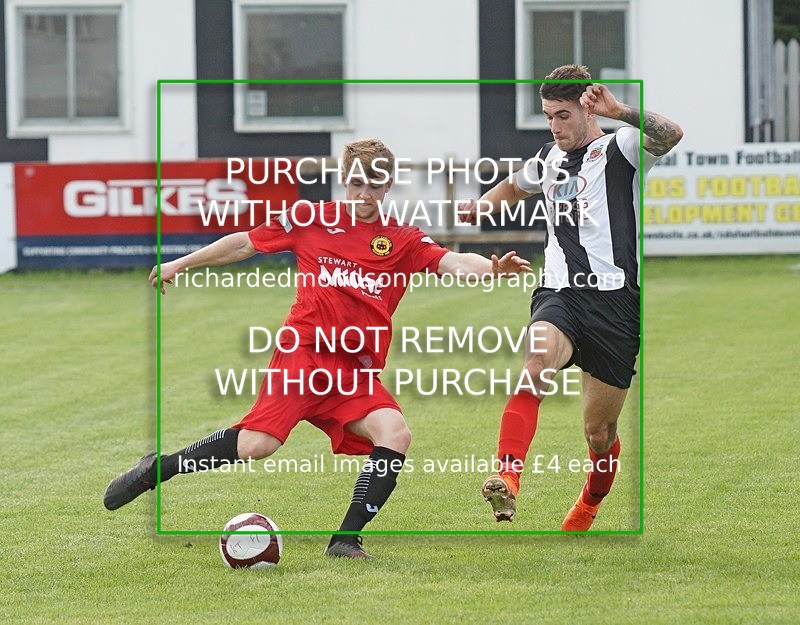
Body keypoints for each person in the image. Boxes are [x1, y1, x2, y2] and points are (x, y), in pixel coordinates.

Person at [104, 138, 531, 558]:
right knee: (258, 445)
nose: (365, 194)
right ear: (344, 180)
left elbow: (452, 262)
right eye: (357, 183)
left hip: (355, 372)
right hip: (304, 353)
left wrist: (491, 267)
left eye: (375, 185)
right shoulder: (309, 218)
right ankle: (159, 468)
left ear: (388, 186)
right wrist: (181, 262)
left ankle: (345, 539)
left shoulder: (400, 238)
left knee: (395, 433)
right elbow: (244, 243)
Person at [460, 65, 683, 530]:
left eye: (562, 115)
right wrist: (482, 205)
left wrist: (619, 110)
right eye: (548, 117)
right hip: (559, 293)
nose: (555, 126)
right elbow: (514, 184)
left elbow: (671, 134)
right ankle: (508, 475)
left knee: (599, 434)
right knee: (535, 363)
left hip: (615, 305)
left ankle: (589, 502)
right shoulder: (547, 157)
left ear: (587, 107)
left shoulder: (621, 147)